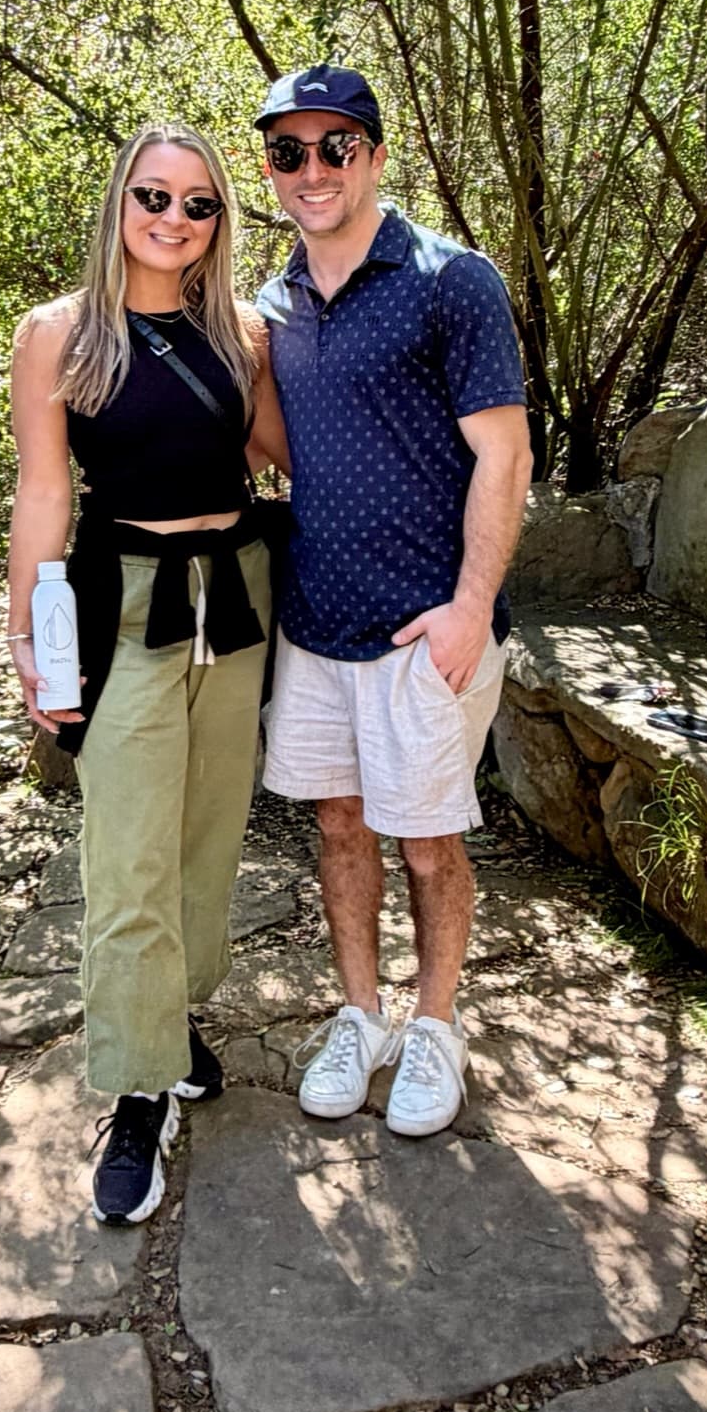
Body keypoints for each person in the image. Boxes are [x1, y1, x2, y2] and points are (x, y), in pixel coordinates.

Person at [8, 123, 286, 1224]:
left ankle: (173, 1021)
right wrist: (34, 638)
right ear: (119, 198)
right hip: (120, 598)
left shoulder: (243, 333)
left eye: (200, 205)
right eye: (155, 196)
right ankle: (135, 1087)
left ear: (220, 223)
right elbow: (42, 494)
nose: (174, 219)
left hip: (235, 596)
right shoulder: (60, 335)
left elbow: (288, 457)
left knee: (209, 836)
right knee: (126, 847)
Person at [255, 64, 533, 1136]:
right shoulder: (274, 304)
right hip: (317, 624)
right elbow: (284, 448)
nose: (313, 169)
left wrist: (472, 607)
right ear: (271, 168)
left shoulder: (449, 279)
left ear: (374, 154)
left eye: (336, 147)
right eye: (289, 151)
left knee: (428, 842)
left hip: (428, 626)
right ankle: (362, 1015)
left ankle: (436, 1028)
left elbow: (503, 459)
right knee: (338, 827)